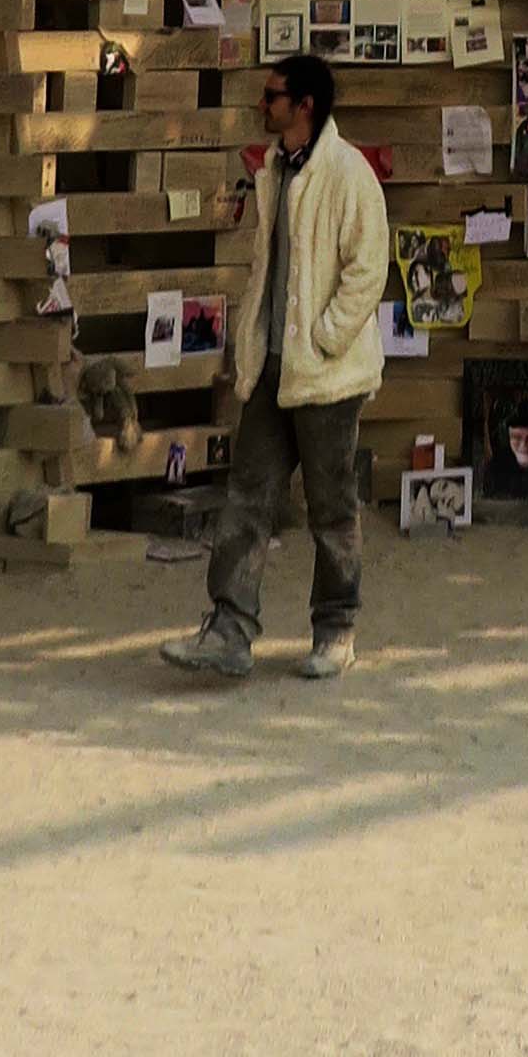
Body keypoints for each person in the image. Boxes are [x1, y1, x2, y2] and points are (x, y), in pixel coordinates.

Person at [161, 52, 386, 686]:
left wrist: (325, 339)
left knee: (332, 506)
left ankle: (336, 629)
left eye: (273, 94)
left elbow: (368, 269)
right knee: (247, 499)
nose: (264, 104)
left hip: (327, 376)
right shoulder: (276, 172)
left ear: (305, 105)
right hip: (272, 370)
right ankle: (229, 630)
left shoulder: (349, 175)